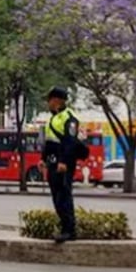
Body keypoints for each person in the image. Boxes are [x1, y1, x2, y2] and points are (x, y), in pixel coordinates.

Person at [43, 86, 80, 243]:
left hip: (63, 164)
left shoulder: (69, 118)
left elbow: (70, 142)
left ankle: (69, 230)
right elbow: (49, 142)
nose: (48, 103)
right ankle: (64, 227)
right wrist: (42, 159)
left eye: (50, 100)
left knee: (64, 195)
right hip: (53, 163)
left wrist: (64, 161)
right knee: (56, 197)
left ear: (57, 100)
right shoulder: (53, 118)